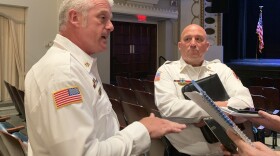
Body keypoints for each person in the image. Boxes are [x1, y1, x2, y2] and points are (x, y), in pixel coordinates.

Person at [24, 0, 186, 155]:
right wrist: (143, 129)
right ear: (75, 18)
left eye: (110, 19)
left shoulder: (76, 66)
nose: (111, 26)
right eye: (102, 18)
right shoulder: (63, 73)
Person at [154, 24, 254, 156]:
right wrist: (222, 109)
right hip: (183, 153)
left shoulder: (221, 70)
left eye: (199, 39)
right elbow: (168, 109)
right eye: (187, 39)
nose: (193, 43)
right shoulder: (167, 71)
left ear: (207, 46)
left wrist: (206, 112)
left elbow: (246, 105)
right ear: (180, 45)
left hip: (223, 152)